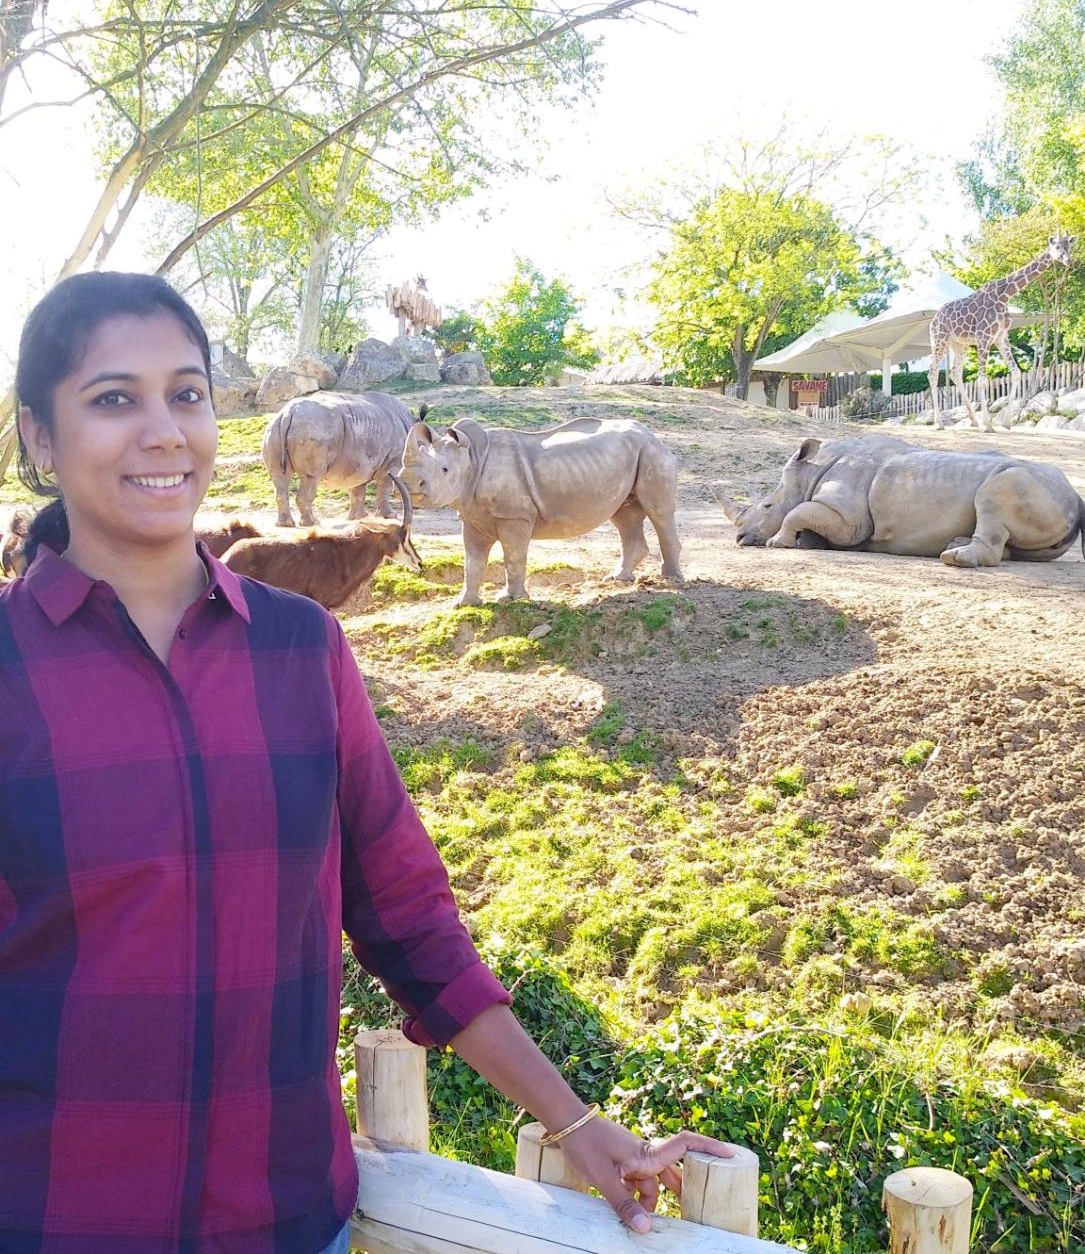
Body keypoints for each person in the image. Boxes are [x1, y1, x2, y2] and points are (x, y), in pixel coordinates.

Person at [0, 272, 735, 1254]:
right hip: (54, 1220)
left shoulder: (299, 650)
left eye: (186, 391)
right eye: (111, 398)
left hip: (293, 1220)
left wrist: (574, 1123)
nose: (163, 429)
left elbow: (408, 916)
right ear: (41, 439)